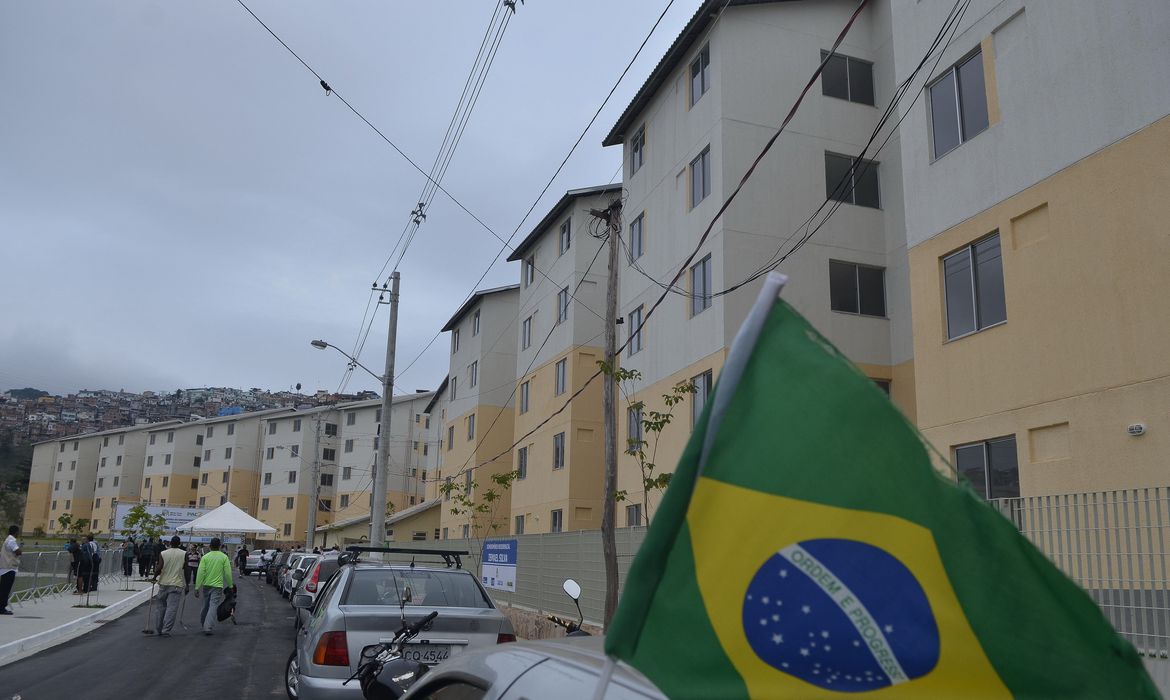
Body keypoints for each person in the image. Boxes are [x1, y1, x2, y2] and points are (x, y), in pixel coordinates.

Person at [194, 537, 233, 635]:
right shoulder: (224, 557)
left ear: (210, 546)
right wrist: (230, 585)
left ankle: (203, 623)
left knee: (205, 605)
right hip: (217, 586)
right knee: (213, 606)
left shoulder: (205, 557)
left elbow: (200, 573)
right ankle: (208, 627)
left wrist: (197, 587)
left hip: (206, 585)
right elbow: (228, 573)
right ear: (220, 546)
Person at [151, 536, 187, 637]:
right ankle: (166, 629)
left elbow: (159, 567)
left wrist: (154, 577)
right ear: (179, 543)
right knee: (172, 607)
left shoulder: (163, 553)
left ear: (170, 543)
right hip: (176, 584)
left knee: (160, 606)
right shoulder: (184, 554)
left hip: (163, 583)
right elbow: (186, 569)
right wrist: (187, 584)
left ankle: (158, 628)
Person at [0, 525, 22, 615]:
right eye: (18, 532)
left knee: (3, 588)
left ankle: (1, 606)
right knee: (5, 589)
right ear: (15, 532)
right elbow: (17, 551)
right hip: (9, 568)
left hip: (5, 567)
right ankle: (2, 607)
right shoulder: (11, 540)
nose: (19, 534)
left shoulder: (7, 540)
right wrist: (21, 551)